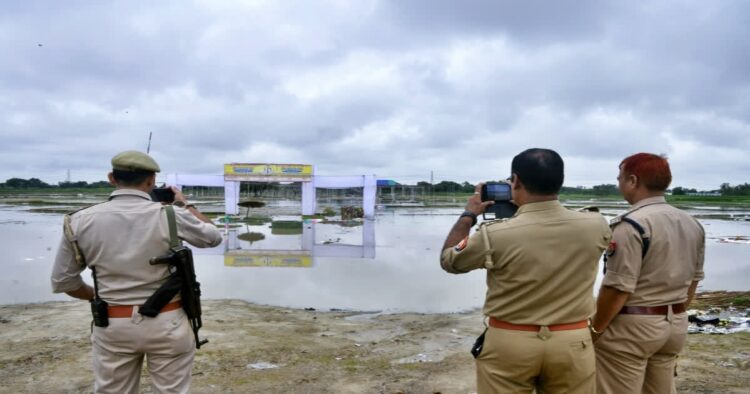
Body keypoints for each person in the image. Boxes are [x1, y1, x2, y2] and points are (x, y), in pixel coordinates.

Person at [440, 148, 612, 393]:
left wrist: (469, 214)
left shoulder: (494, 234)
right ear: (560, 181)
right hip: (572, 339)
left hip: (510, 341)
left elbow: (450, 261)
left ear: (516, 181)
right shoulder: (596, 225)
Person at [51, 150, 223, 393]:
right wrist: (184, 204)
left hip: (111, 323)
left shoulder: (78, 220)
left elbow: (64, 282)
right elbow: (213, 238)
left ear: (111, 178)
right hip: (168, 322)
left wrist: (97, 297)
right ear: (152, 181)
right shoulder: (171, 215)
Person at [591, 153, 705, 394]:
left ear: (633, 180)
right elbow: (693, 281)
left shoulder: (631, 225)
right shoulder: (691, 223)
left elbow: (617, 287)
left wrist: (596, 330)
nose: (618, 184)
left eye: (620, 178)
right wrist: (676, 312)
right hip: (675, 323)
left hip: (634, 326)